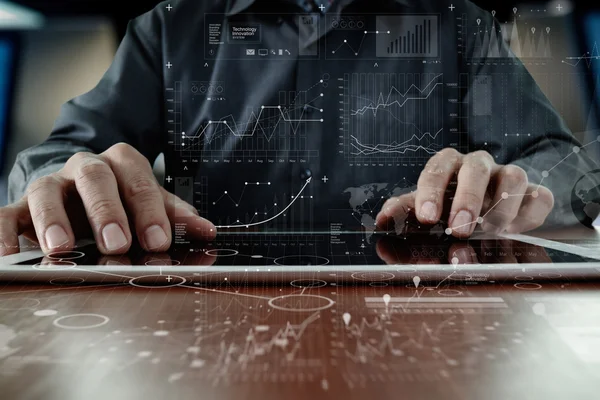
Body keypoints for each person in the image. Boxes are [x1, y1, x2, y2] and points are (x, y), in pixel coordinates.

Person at [0, 0, 598, 257]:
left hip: (429, 313)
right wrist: (66, 180)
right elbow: (61, 154)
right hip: (202, 322)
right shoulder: (170, 29)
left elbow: (563, 164)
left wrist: (515, 187)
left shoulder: (456, 23)